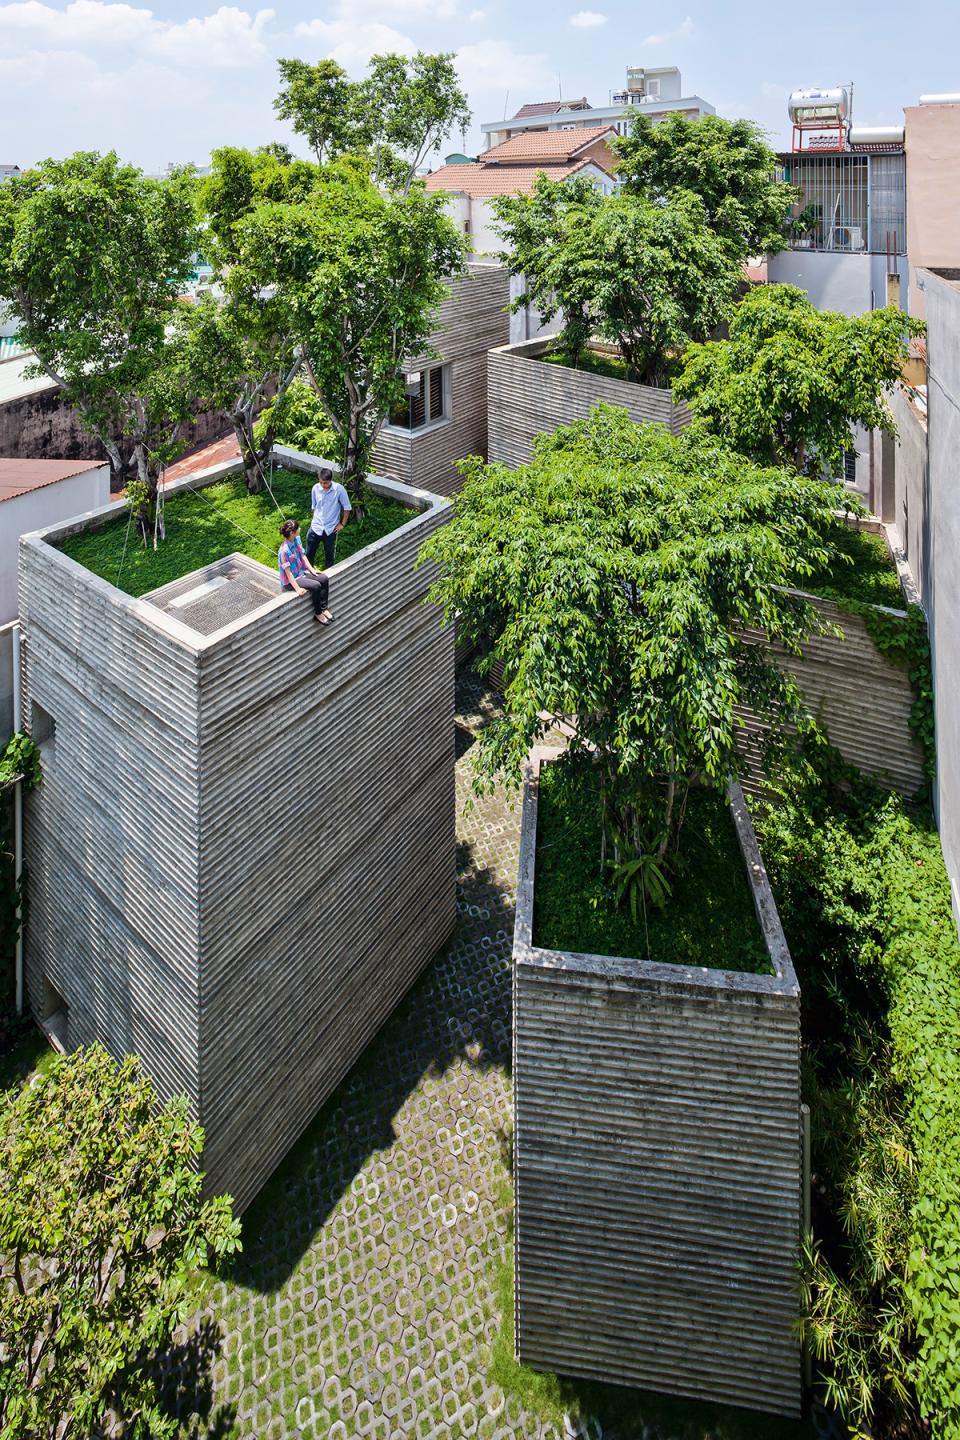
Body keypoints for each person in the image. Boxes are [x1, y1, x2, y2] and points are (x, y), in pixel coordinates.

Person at [278, 519, 333, 624]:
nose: (300, 529)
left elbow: (303, 555)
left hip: (301, 573)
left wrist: (312, 570)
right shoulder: (284, 551)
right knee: (316, 586)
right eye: (298, 528)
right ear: (292, 533)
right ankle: (318, 613)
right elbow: (288, 573)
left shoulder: (297, 539)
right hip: (292, 580)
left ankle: (324, 608)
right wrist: (297, 589)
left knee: (324, 578)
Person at [305, 467, 352, 569]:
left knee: (329, 556)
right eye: (321, 482)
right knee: (308, 553)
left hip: (330, 529)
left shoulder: (339, 490)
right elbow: (314, 507)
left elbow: (347, 507)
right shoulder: (315, 488)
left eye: (325, 483)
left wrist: (342, 524)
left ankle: (329, 577)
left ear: (331, 480)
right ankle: (308, 573)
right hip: (316, 527)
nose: (323, 485)